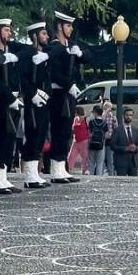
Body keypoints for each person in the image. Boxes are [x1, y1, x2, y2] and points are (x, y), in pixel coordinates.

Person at [0, 19, 23, 194]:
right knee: (1, 136)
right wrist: (9, 98)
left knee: (9, 139)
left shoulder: (9, 52)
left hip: (13, 100)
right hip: (2, 102)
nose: (9, 34)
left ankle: (3, 177)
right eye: (6, 30)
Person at [46, 11, 83, 184]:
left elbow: (88, 57)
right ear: (60, 27)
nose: (71, 28)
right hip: (59, 93)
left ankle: (62, 168)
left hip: (68, 94)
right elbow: (54, 73)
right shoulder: (54, 47)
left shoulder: (71, 45)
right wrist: (69, 85)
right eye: (68, 25)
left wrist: (80, 54)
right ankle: (55, 169)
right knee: (58, 131)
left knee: (66, 131)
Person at [17, 20, 52, 189]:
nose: (47, 36)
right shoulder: (28, 52)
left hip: (44, 99)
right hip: (33, 101)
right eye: (43, 34)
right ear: (34, 36)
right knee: (33, 135)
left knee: (40, 136)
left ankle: (34, 173)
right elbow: (22, 78)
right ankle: (30, 175)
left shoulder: (45, 53)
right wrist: (32, 94)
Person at [110, 107, 138, 176]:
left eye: (130, 115)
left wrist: (136, 148)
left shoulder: (136, 130)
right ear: (123, 116)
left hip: (133, 163)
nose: (128, 117)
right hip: (121, 162)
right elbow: (112, 146)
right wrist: (125, 148)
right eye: (127, 115)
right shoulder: (117, 130)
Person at [86, 105, 107, 176]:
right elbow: (106, 135)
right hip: (101, 145)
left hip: (92, 144)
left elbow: (89, 133)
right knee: (100, 163)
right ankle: (98, 178)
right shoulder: (104, 123)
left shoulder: (91, 122)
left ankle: (91, 176)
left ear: (95, 113)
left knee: (91, 162)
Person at [70, 106, 90, 175]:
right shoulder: (80, 119)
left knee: (81, 156)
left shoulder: (81, 119)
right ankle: (71, 169)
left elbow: (73, 128)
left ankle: (81, 170)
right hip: (80, 140)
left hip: (80, 140)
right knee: (75, 156)